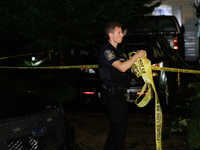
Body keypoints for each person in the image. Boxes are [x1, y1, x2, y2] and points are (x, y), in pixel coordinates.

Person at [98, 22, 146, 150]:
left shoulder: (119, 51)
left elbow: (128, 69)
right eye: (119, 33)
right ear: (110, 35)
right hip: (112, 95)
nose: (122, 35)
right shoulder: (107, 51)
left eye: (121, 32)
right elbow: (122, 67)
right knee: (119, 130)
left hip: (121, 94)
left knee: (118, 128)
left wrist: (141, 66)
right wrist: (137, 56)